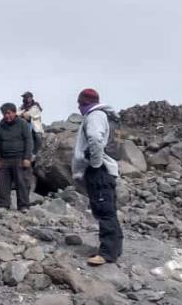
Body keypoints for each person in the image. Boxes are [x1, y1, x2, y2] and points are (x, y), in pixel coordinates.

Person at [71, 88, 123, 266]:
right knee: (108, 209)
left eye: (79, 103)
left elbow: (94, 138)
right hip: (105, 170)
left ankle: (107, 253)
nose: (78, 107)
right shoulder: (104, 116)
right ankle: (115, 248)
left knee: (103, 210)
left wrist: (94, 163)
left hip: (99, 171)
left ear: (84, 103)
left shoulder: (94, 116)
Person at [0, 103, 33, 212]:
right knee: (3, 184)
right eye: (4, 114)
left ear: (14, 112)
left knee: (22, 183)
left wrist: (27, 158)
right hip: (4, 159)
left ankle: (23, 205)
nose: (6, 116)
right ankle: (3, 205)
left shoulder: (23, 124)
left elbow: (29, 141)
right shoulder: (0, 126)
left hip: (20, 158)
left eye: (9, 113)